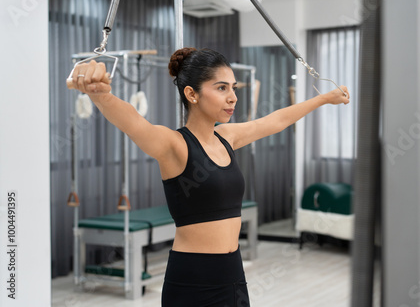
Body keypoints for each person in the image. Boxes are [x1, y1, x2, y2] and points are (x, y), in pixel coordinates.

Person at [69, 47, 350, 306]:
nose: (233, 97)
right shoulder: (174, 146)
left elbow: (274, 121)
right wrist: (100, 94)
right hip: (194, 278)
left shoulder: (226, 137)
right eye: (221, 88)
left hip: (233, 273)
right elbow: (132, 122)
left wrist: (324, 98)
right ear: (192, 94)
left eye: (233, 88)